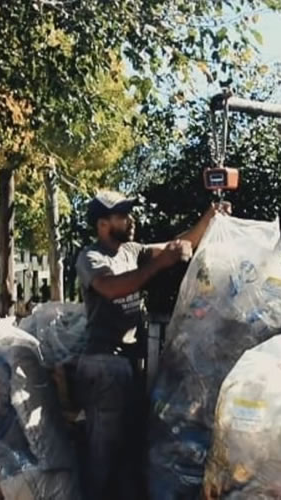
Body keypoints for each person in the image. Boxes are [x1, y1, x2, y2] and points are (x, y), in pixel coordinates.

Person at [74, 190, 229, 500]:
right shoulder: (91, 257)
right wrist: (159, 266)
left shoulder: (132, 250)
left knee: (131, 449)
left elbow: (180, 243)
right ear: (103, 224)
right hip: (104, 363)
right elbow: (112, 288)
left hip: (131, 363)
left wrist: (210, 217)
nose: (131, 220)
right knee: (103, 455)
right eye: (122, 216)